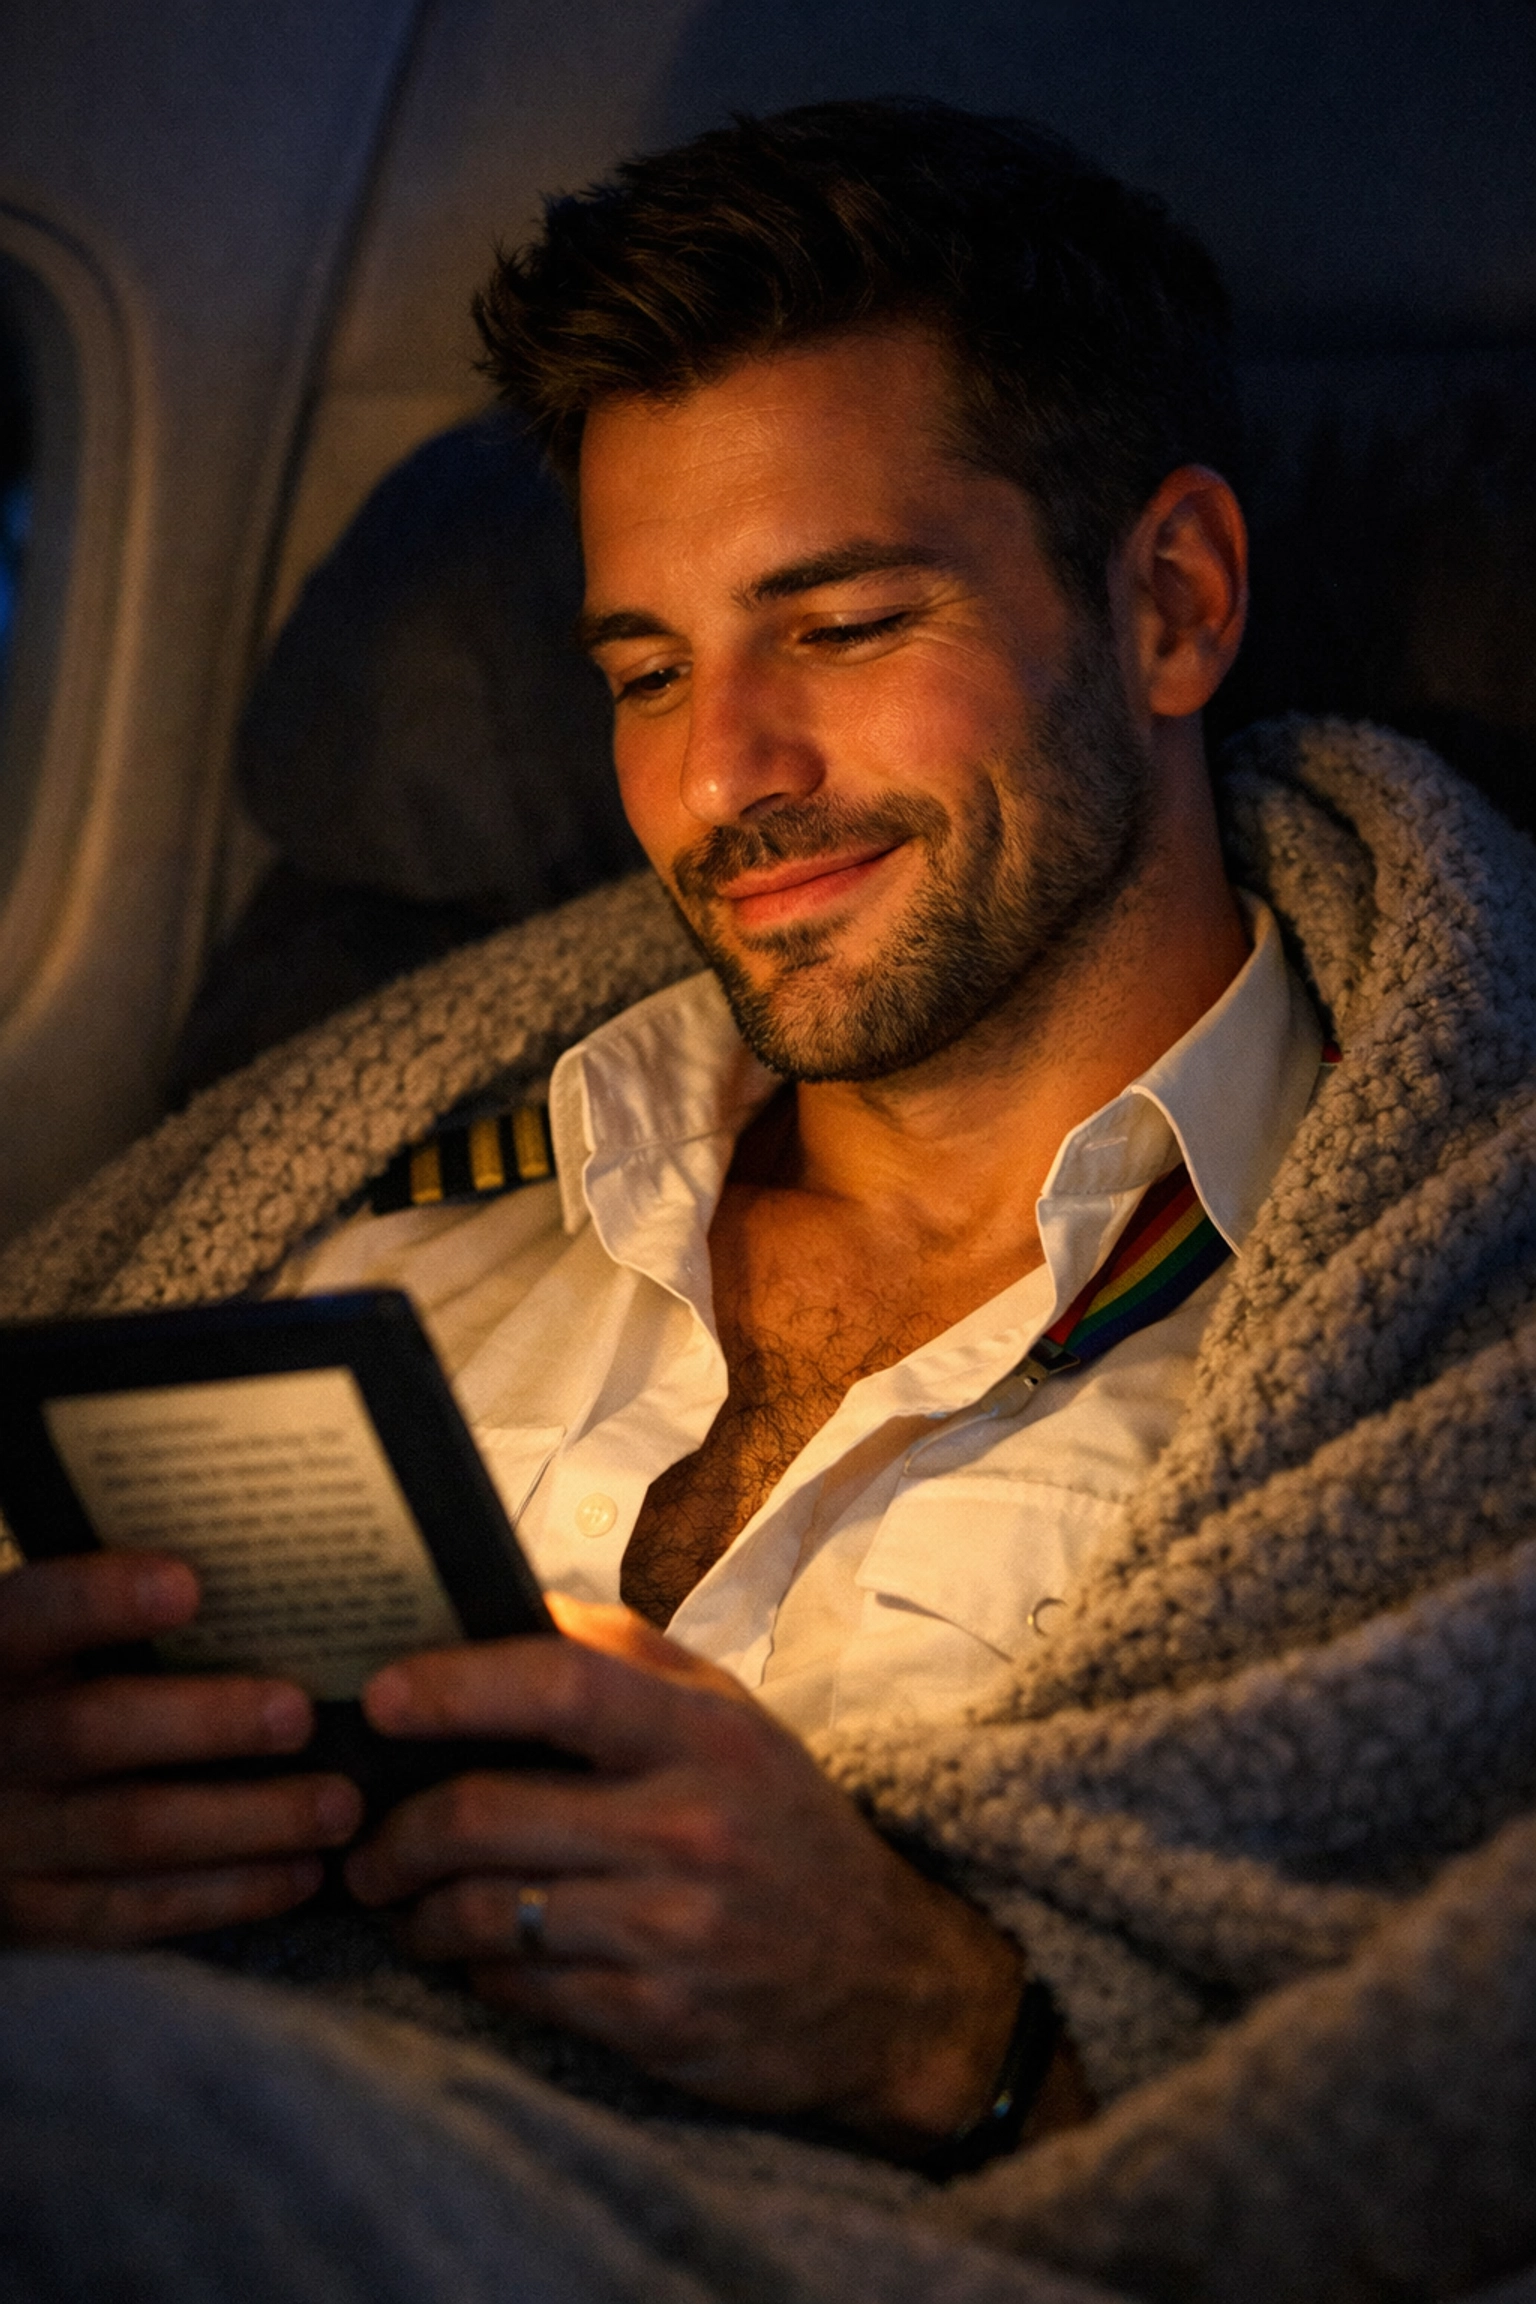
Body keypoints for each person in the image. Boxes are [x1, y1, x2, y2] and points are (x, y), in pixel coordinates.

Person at [2, 101, 1535, 2304]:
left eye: (838, 625)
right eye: (642, 675)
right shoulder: (360, 1221)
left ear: (1172, 604)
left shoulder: (1438, 1335)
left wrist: (932, 2021)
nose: (721, 775)